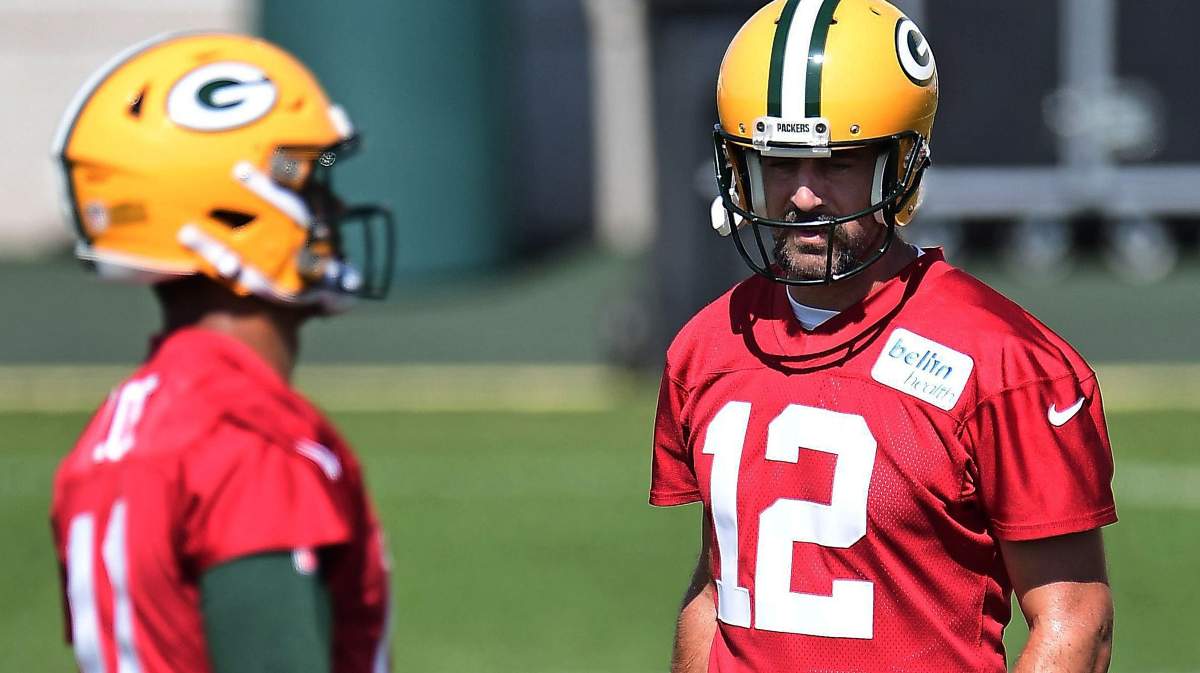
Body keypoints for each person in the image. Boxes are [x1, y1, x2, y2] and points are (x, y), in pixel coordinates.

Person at [649, 1, 1116, 671]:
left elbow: (1074, 620)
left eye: (837, 163)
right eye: (779, 162)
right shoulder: (708, 346)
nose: (803, 196)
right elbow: (716, 587)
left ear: (900, 167)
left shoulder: (1007, 363)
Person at [49, 33, 394, 673]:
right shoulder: (248, 440)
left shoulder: (119, 428)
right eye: (309, 183)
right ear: (232, 210)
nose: (336, 208)